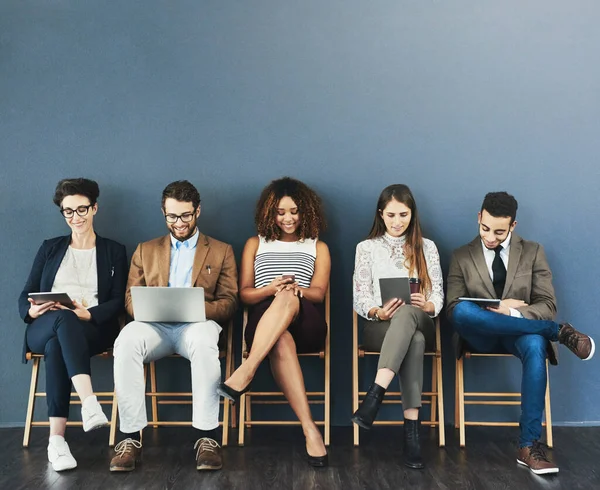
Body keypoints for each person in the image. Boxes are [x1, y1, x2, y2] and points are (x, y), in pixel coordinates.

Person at [447, 191, 595, 475]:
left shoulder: (534, 252)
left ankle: (528, 446)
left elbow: (547, 303)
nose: (490, 237)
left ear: (513, 225)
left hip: (519, 332)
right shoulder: (461, 256)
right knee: (462, 313)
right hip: (479, 334)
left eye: (499, 231)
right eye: (485, 228)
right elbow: (454, 306)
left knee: (535, 343)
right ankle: (558, 332)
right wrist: (499, 306)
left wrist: (512, 314)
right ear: (479, 218)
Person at [110, 180, 238, 472]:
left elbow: (230, 302)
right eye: (172, 216)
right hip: (153, 327)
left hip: (197, 326)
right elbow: (130, 298)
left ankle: (207, 438)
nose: (179, 222)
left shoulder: (221, 251)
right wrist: (147, 308)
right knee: (126, 340)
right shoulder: (145, 250)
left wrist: (194, 307)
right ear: (163, 212)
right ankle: (130, 438)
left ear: (198, 211)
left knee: (206, 342)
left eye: (186, 215)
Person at [217, 176, 330, 467]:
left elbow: (318, 293)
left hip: (307, 319)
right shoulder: (256, 243)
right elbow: (244, 294)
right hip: (265, 321)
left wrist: (295, 290)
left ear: (306, 211)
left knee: (290, 297)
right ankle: (310, 430)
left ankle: (246, 370)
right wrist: (271, 288)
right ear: (270, 212)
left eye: (294, 211)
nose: (288, 218)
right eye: (281, 212)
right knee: (280, 337)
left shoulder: (317, 246)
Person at [18, 178, 127, 472]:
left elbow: (118, 300)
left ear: (95, 208)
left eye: (82, 209)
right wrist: (34, 309)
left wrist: (88, 313)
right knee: (60, 321)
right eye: (68, 212)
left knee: (57, 345)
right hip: (44, 324)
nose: (76, 217)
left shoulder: (113, 250)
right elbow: (24, 295)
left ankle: (57, 442)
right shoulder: (50, 248)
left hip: (90, 327)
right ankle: (89, 403)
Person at [351, 184, 443, 469]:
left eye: (403, 214)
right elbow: (360, 295)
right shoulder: (366, 248)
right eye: (391, 215)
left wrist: (426, 305)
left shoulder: (427, 247)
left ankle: (374, 396)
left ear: (412, 214)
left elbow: (438, 293)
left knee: (409, 318)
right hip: (380, 326)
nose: (397, 221)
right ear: (381, 214)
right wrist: (378, 310)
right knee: (412, 339)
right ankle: (411, 434)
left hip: (421, 319)